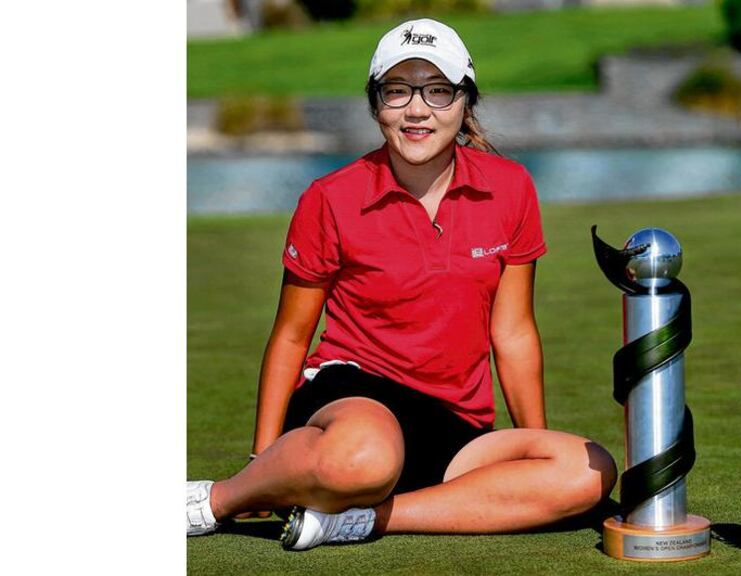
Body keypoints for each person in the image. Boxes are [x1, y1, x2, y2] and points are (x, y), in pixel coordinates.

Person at [186, 18, 617, 550]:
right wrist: (263, 463)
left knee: (587, 471)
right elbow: (293, 336)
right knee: (366, 455)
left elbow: (514, 333)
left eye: (438, 91)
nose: (417, 109)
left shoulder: (511, 188)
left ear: (465, 103)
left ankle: (363, 519)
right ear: (377, 106)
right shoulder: (331, 197)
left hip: (455, 423)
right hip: (351, 395)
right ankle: (215, 499)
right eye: (398, 91)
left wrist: (531, 445)